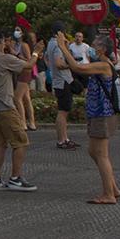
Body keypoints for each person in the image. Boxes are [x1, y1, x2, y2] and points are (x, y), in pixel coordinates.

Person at [0, 27, 38, 193]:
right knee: (21, 141)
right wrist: (36, 52)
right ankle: (15, 178)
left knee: (0, 144)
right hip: (5, 106)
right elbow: (28, 66)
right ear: (1, 41)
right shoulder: (3, 58)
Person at [78, 34, 120, 203]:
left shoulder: (104, 65)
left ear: (102, 49)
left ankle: (108, 194)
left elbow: (77, 67)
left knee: (101, 154)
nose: (91, 47)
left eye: (94, 44)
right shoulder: (100, 64)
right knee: (93, 151)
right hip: (97, 113)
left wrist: (62, 47)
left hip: (102, 114)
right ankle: (113, 188)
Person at [45, 21, 80, 151]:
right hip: (62, 80)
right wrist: (73, 65)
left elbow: (48, 61)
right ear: (60, 32)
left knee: (64, 110)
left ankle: (65, 138)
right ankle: (61, 140)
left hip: (59, 80)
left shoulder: (50, 44)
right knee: (63, 111)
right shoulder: (56, 45)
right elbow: (59, 63)